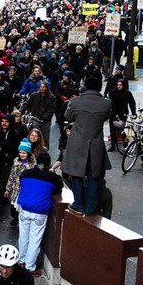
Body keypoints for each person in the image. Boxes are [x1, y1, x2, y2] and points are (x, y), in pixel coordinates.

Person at [62, 78, 112, 215]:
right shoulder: (106, 104)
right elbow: (105, 118)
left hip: (78, 143)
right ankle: (90, 206)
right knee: (94, 176)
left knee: (77, 174)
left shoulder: (76, 102)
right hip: (96, 144)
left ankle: (78, 204)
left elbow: (68, 116)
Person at [16, 153, 63, 277]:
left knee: (23, 237)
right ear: (48, 164)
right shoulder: (52, 178)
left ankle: (21, 262)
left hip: (24, 209)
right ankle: (30, 267)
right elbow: (59, 188)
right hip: (40, 212)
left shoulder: (25, 174)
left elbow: (22, 184)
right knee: (34, 240)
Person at [4, 139, 36, 227]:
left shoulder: (32, 163)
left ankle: (22, 221)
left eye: (24, 153)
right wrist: (8, 189)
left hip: (26, 189)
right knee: (13, 208)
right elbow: (12, 175)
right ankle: (15, 218)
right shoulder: (16, 161)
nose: (21, 155)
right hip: (16, 188)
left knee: (22, 207)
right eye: (20, 152)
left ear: (28, 153)